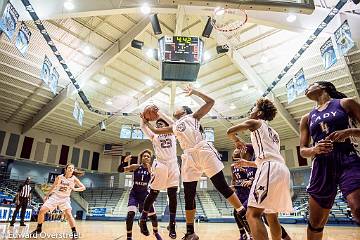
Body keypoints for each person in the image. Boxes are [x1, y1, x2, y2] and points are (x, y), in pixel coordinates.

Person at [143, 85, 249, 240]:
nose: (176, 108)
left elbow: (211, 101)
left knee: (221, 186)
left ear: (185, 111)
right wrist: (145, 121)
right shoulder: (174, 126)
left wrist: (195, 92)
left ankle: (243, 213)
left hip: (203, 150)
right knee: (188, 194)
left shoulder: (193, 117)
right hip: (188, 157)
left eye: (179, 107)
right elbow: (157, 131)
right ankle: (190, 231)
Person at [299, 81, 360, 240]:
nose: (307, 87)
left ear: (324, 87)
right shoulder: (307, 118)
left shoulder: (345, 103)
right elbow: (302, 150)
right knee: (316, 222)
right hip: (321, 165)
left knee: (358, 208)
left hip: (347, 158)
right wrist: (314, 149)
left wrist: (350, 131)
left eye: (311, 84)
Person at [227, 98, 293, 240]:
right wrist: (249, 163)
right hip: (281, 169)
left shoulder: (255, 122)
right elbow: (268, 156)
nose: (251, 111)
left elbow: (230, 131)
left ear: (259, 113)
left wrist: (236, 140)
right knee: (271, 215)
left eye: (253, 109)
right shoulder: (274, 133)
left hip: (269, 168)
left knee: (252, 214)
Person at [232, 146, 292, 240]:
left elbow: (263, 174)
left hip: (263, 189)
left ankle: (250, 235)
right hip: (261, 189)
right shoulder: (247, 165)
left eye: (241, 149)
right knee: (270, 218)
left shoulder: (256, 160)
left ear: (247, 151)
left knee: (251, 214)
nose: (239, 151)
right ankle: (286, 237)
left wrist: (251, 181)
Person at [138, 111, 179, 239]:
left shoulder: (173, 132)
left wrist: (160, 112)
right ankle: (143, 219)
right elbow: (143, 127)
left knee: (172, 194)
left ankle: (172, 224)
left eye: (161, 123)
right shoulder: (154, 135)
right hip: (160, 164)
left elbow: (174, 123)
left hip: (173, 164)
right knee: (153, 193)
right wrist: (143, 118)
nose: (159, 125)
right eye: (158, 123)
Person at [30, 164, 86, 239]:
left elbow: (83, 187)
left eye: (72, 168)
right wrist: (47, 195)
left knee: (69, 214)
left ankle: (74, 232)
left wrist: (75, 189)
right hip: (55, 197)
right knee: (42, 211)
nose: (71, 169)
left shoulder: (74, 178)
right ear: (66, 169)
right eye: (69, 168)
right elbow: (53, 186)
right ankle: (39, 228)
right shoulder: (60, 177)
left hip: (65, 198)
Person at [118, 150, 162, 240]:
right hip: (134, 194)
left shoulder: (152, 169)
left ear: (150, 159)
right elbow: (120, 170)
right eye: (144, 156)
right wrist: (124, 161)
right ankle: (129, 237)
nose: (146, 157)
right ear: (141, 158)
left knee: (153, 217)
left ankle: (156, 232)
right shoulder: (135, 166)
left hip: (145, 195)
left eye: (148, 156)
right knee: (130, 214)